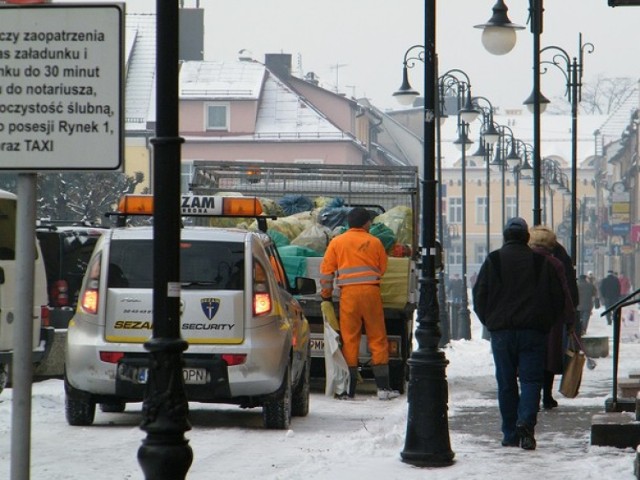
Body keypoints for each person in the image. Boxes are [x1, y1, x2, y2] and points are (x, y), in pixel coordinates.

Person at [473, 217, 565, 451]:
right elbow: (557, 299)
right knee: (531, 381)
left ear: (505, 237)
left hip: (502, 332)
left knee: (506, 383)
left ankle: (510, 433)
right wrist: (546, 324)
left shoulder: (493, 260)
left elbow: (479, 296)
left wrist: (491, 322)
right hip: (533, 332)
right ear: (526, 238)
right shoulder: (540, 263)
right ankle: (526, 424)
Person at [319, 207, 399, 401]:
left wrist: (326, 296)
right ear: (366, 224)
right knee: (377, 337)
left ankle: (349, 389)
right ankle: (383, 388)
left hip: (349, 296)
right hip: (371, 292)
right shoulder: (375, 242)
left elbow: (326, 272)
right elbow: (382, 268)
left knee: (350, 338)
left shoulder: (337, 242)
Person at [528, 226, 577, 411]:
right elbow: (566, 293)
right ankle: (547, 396)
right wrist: (570, 319)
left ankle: (530, 396)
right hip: (552, 320)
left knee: (531, 357)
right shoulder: (557, 262)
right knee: (549, 358)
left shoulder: (523, 260)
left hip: (527, 317)